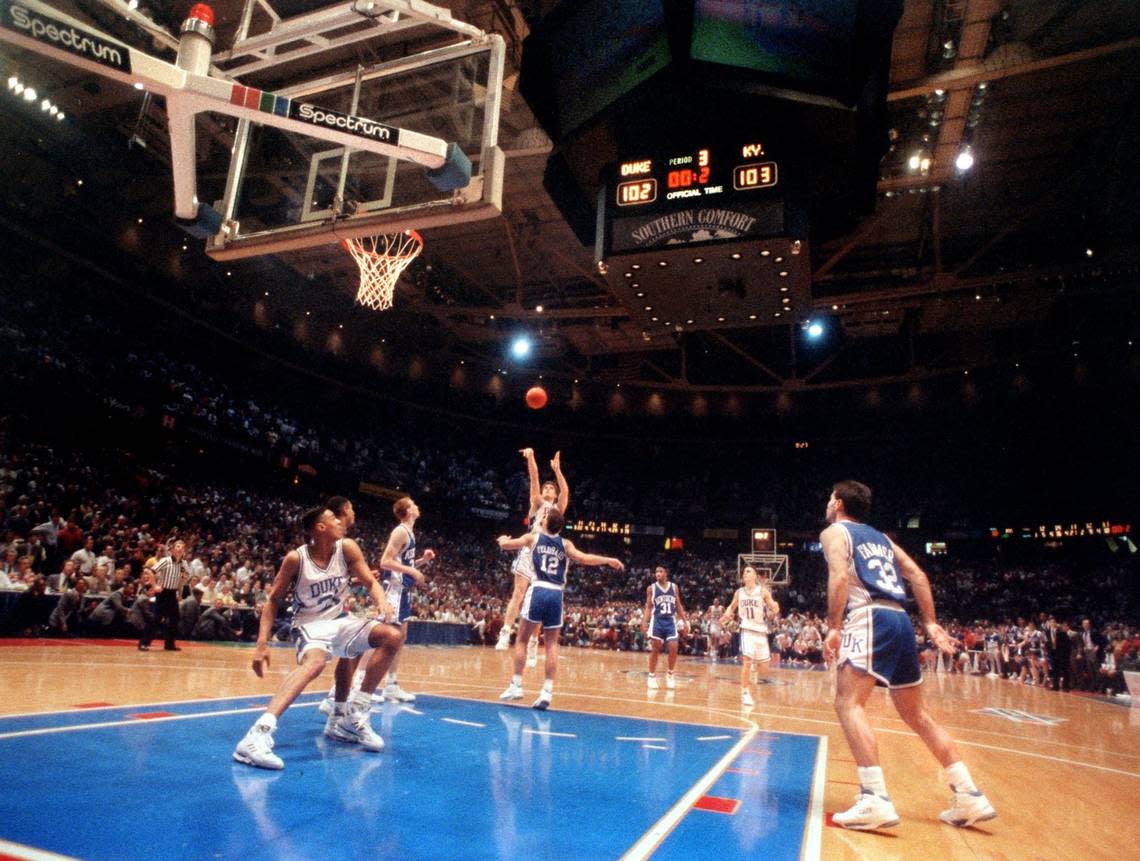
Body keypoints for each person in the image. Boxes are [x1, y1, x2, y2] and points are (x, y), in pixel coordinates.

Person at [821, 480, 996, 831]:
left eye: (829, 498)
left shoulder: (835, 532)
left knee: (848, 703)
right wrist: (930, 622)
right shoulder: (883, 539)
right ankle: (968, 794)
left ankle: (874, 798)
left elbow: (840, 576)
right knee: (916, 714)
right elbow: (917, 574)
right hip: (900, 619)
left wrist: (834, 626)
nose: (826, 504)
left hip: (869, 615)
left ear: (838, 503)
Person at [232, 506, 405, 770]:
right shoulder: (296, 558)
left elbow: (370, 582)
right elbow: (273, 600)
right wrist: (262, 644)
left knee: (392, 637)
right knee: (315, 663)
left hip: (339, 621)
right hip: (308, 626)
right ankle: (257, 734)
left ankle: (350, 715)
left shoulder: (347, 548)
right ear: (320, 528)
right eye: (332, 518)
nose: (340, 520)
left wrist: (382, 603)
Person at [497, 509, 623, 709]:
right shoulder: (566, 544)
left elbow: (506, 545)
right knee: (551, 645)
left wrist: (502, 539)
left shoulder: (533, 537)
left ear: (545, 522)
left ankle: (517, 685)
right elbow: (585, 558)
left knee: (521, 639)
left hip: (538, 589)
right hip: (557, 594)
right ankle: (547, 691)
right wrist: (607, 560)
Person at [496, 449, 569, 672]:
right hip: (530, 549)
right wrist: (531, 458)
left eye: (551, 488)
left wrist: (557, 470)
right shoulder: (537, 503)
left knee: (535, 605)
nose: (548, 489)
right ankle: (505, 633)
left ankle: (533, 643)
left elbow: (565, 490)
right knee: (518, 594)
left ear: (554, 495)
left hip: (546, 554)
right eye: (546, 487)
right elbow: (534, 478)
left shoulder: (557, 509)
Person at [376, 496, 435, 702]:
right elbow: (385, 562)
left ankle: (391, 684)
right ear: (408, 510)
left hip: (403, 592)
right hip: (392, 591)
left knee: (399, 640)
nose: (418, 506)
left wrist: (421, 561)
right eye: (414, 504)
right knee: (380, 637)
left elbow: (402, 565)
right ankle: (359, 682)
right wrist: (411, 569)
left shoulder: (410, 533)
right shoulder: (400, 531)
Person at [721, 565, 779, 706]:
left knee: (764, 667)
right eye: (744, 572)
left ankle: (754, 664)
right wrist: (728, 613)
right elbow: (731, 606)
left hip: (760, 630)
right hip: (746, 629)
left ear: (755, 576)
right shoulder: (739, 592)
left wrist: (774, 612)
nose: (745, 573)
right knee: (746, 662)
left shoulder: (762, 591)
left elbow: (774, 606)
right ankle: (745, 693)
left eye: (748, 571)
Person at [640, 565, 688, 691]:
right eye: (656, 571)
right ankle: (651, 676)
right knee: (656, 648)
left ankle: (670, 674)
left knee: (673, 647)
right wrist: (645, 621)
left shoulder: (674, 587)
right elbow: (649, 607)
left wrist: (685, 620)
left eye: (660, 571)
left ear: (666, 573)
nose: (658, 573)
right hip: (657, 620)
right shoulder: (651, 588)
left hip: (670, 621)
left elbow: (678, 605)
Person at [140, 539, 192, 652]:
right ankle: (144, 643)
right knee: (157, 618)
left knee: (175, 619)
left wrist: (180, 593)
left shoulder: (184, 564)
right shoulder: (165, 560)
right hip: (163, 593)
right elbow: (150, 571)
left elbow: (182, 580)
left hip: (173, 593)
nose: (181, 548)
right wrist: (154, 586)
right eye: (178, 546)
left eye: (183, 546)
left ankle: (169, 644)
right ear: (172, 549)